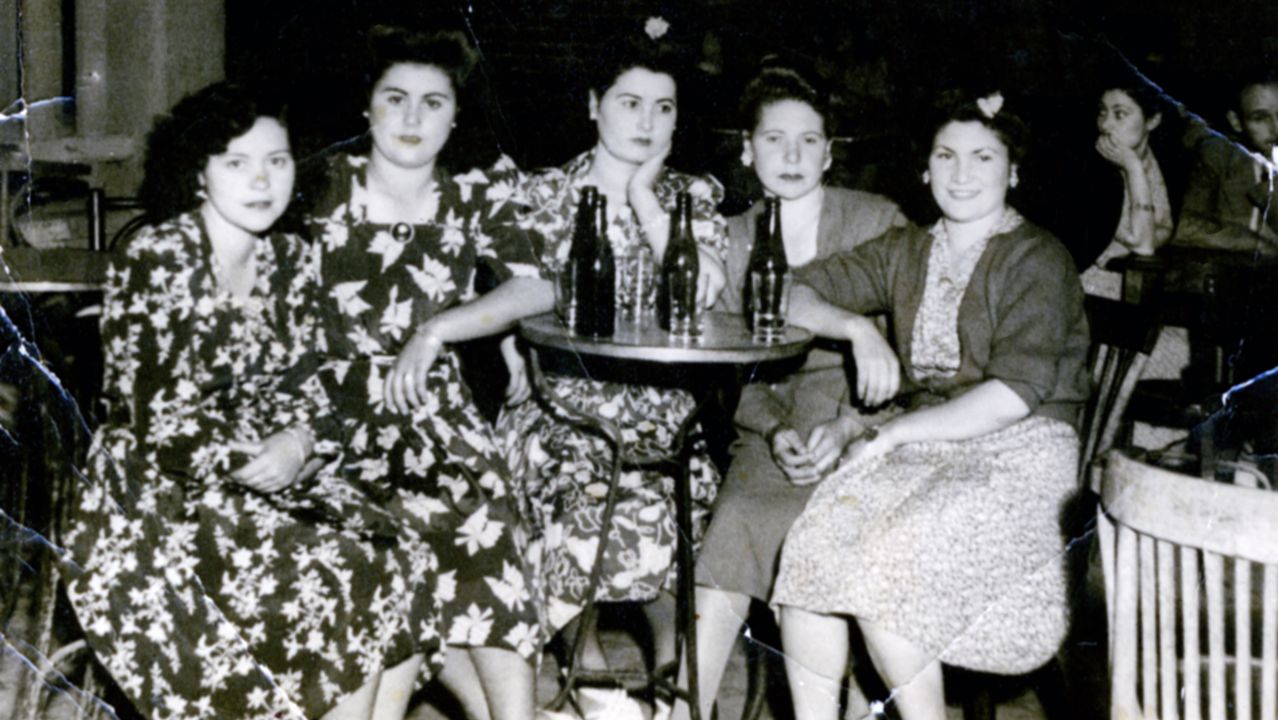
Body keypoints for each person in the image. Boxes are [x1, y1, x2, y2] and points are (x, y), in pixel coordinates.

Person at [64, 82, 439, 720]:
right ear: (198, 174)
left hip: (268, 469)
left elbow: (313, 385)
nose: (262, 180)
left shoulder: (291, 257)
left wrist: (302, 440)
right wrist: (267, 456)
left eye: (277, 160)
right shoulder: (157, 259)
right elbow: (162, 423)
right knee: (338, 571)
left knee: (404, 554)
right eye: (237, 162)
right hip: (160, 492)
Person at [772, 91, 1089, 720]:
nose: (962, 174)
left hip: (1021, 453)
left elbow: (1012, 395)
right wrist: (856, 329)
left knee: (888, 565)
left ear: (1013, 172)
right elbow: (786, 290)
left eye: (983, 157)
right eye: (946, 156)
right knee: (813, 544)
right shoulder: (907, 248)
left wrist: (892, 435)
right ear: (925, 169)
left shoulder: (1038, 256)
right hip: (927, 450)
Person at [304, 27, 552, 720]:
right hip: (329, 416)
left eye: (433, 102)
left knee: (487, 527)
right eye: (396, 98)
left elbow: (538, 285)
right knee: (382, 552)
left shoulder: (472, 196)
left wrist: (438, 329)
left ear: (455, 115)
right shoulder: (320, 185)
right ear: (367, 107)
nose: (413, 118)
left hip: (433, 414)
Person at [496, 16, 728, 720]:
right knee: (576, 491)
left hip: (664, 407)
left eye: (664, 107)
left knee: (680, 504)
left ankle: (673, 674)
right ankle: (591, 677)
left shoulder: (693, 197)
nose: (647, 123)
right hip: (561, 403)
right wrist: (509, 346)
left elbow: (704, 290)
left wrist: (645, 200)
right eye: (630, 103)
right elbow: (509, 293)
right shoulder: (540, 194)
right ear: (594, 104)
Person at [673, 61, 907, 720]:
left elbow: (915, 351)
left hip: (871, 421)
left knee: (824, 533)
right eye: (774, 140)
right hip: (773, 427)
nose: (793, 157)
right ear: (747, 151)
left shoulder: (876, 221)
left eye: (809, 141)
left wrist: (855, 423)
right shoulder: (732, 239)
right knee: (737, 519)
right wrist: (774, 431)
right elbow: (731, 370)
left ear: (830, 153)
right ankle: (685, 708)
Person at [1080, 79, 1190, 450]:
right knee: (1154, 344)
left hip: (1128, 291)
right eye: (1102, 113)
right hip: (1091, 292)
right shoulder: (1097, 167)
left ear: (1152, 120)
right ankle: (1110, 450)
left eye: (1120, 114)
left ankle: (1152, 456)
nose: (1106, 125)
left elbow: (1161, 233)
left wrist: (1136, 168)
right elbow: (1144, 242)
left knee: (1178, 346)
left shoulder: (1156, 164)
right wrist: (1131, 166)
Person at [1176, 66, 1278, 252]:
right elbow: (1185, 228)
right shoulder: (1220, 160)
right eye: (1260, 118)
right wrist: (1255, 242)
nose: (1276, 128)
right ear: (1236, 122)